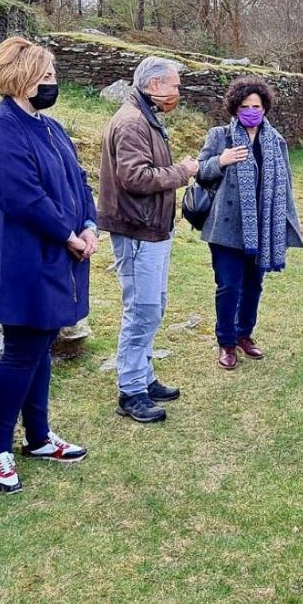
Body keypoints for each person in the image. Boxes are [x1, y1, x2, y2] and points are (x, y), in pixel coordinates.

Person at [0, 37, 97, 494]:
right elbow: (22, 197)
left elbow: (78, 183)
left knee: (42, 344)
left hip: (59, 253)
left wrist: (88, 224)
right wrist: (68, 234)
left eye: (53, 75)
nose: (52, 83)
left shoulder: (51, 126)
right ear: (20, 77)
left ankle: (39, 437)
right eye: (44, 76)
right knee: (24, 347)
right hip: (21, 258)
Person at [98, 57, 199, 422]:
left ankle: (144, 375)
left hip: (152, 230)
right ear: (154, 85)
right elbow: (135, 178)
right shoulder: (132, 122)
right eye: (173, 85)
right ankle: (131, 391)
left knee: (153, 304)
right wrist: (183, 172)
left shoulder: (145, 117)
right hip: (137, 230)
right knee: (141, 310)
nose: (177, 92)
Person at [195, 77, 303, 370]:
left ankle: (245, 335)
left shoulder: (276, 141)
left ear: (265, 107)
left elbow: (286, 186)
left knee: (254, 286)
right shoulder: (220, 136)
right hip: (226, 229)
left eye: (256, 106)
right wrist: (221, 160)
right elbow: (200, 172)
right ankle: (226, 342)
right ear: (235, 107)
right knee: (229, 285)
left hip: (262, 226)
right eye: (245, 106)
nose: (251, 111)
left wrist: (283, 223)